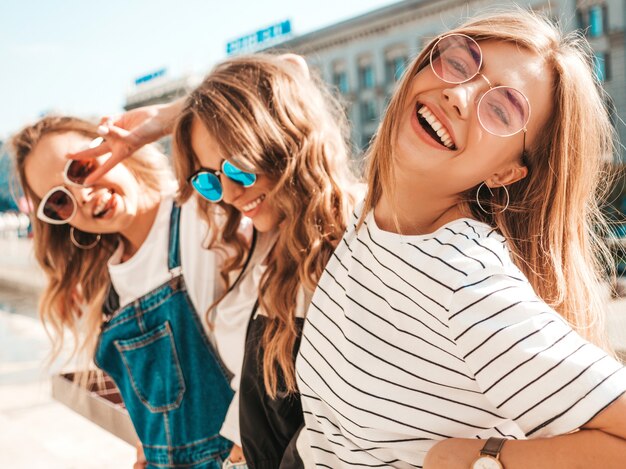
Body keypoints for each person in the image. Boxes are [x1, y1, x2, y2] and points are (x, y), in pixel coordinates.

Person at [294, 9, 626, 469]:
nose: (459, 93)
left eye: (502, 109)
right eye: (460, 61)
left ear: (505, 172)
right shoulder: (368, 215)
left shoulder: (466, 283)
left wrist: (484, 457)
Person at [71, 54, 361, 468]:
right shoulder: (267, 241)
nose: (227, 192)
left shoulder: (360, 227)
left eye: (237, 167)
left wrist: (163, 118)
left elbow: (290, 67)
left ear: (280, 135)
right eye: (208, 178)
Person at [11, 116, 234, 468]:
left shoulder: (202, 215)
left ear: (117, 147)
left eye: (80, 168)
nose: (82, 196)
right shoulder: (107, 289)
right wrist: (150, 442)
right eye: (59, 201)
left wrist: (161, 122)